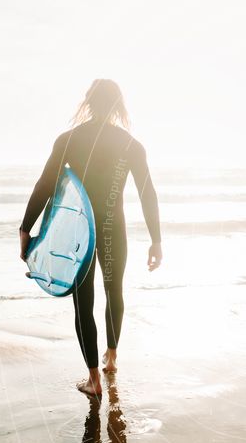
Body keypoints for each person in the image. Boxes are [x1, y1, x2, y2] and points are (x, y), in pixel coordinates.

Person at [19, 79, 162, 397]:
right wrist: (156, 239)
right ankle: (111, 356)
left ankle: (94, 379)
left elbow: (45, 185)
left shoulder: (70, 140)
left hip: (78, 235)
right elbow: (147, 194)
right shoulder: (131, 145)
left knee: (84, 303)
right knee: (115, 292)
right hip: (114, 230)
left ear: (88, 102)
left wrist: (26, 229)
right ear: (119, 106)